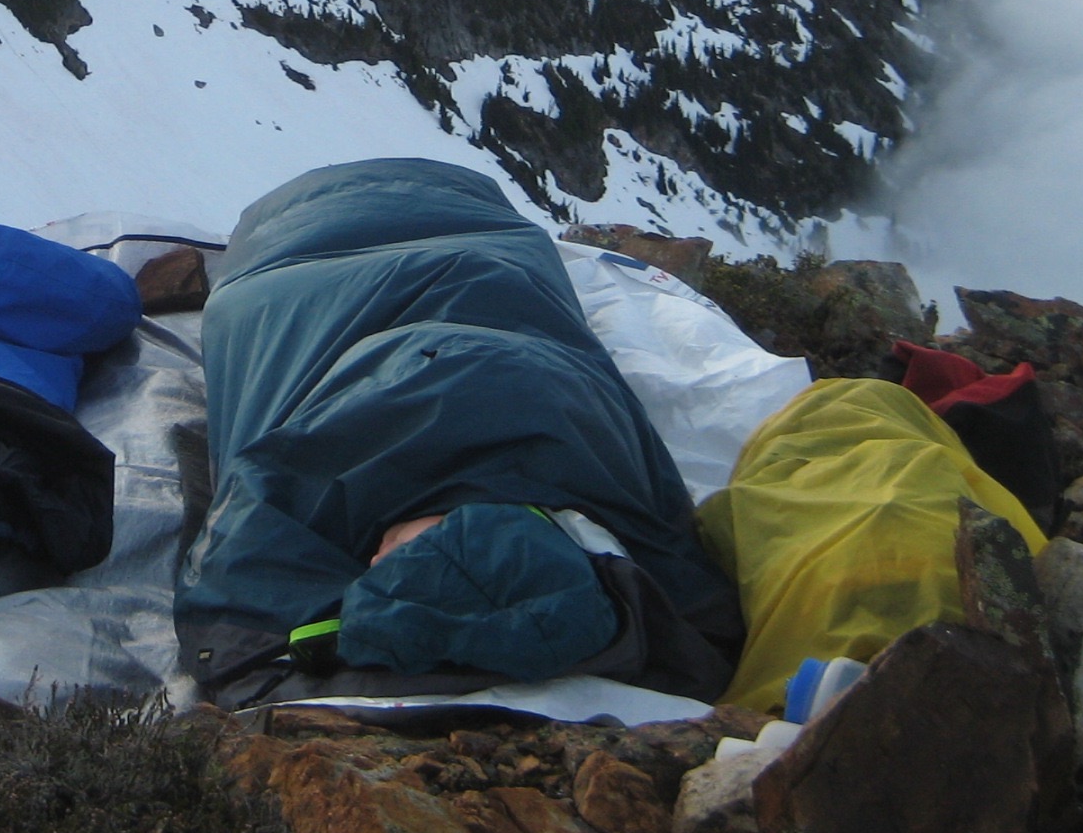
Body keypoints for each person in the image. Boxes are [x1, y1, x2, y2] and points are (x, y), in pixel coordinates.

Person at [177, 158, 743, 705]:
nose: (372, 564)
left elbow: (697, 634)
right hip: (316, 254)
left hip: (459, 230)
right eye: (401, 555)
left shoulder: (615, 496)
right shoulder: (327, 457)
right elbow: (231, 645)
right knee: (247, 313)